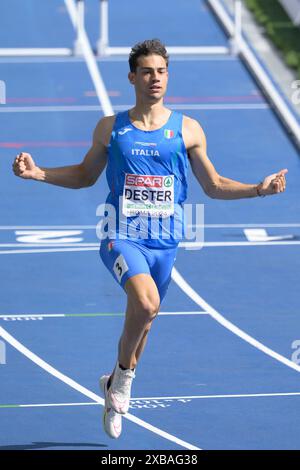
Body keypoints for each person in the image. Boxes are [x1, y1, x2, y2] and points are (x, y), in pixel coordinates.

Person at [13, 39, 287, 440]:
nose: (154, 78)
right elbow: (86, 176)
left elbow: (213, 185)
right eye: (147, 71)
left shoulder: (188, 129)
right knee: (145, 302)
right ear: (132, 77)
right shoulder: (111, 128)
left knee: (146, 319)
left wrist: (258, 189)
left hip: (166, 242)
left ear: (167, 76)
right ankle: (122, 383)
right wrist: (39, 174)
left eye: (161, 71)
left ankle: (114, 381)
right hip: (121, 236)